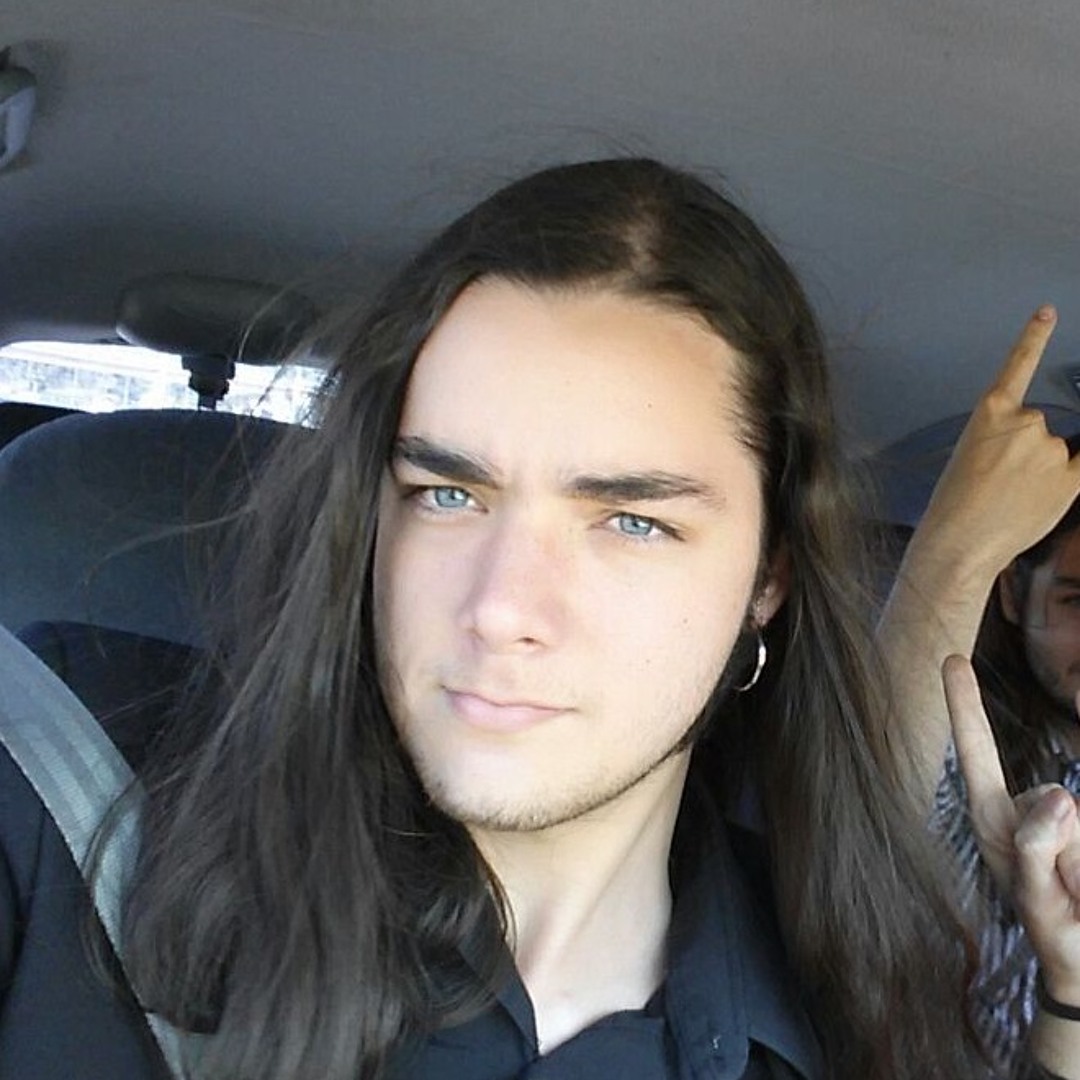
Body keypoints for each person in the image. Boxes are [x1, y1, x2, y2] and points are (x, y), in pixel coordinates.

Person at [1, 157, 1066, 1080]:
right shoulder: (69, 783)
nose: (501, 607)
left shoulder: (846, 1020)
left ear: (766, 581)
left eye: (632, 522)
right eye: (446, 495)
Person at [879, 307, 1080, 1077]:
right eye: (1077, 602)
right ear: (1012, 597)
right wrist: (957, 543)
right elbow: (874, 811)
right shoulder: (972, 761)